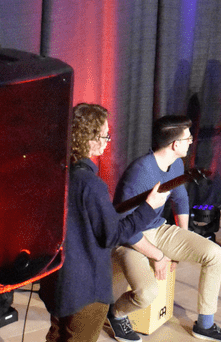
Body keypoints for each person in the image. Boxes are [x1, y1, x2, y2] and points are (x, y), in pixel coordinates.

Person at [38, 103, 169, 342]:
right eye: (105, 135)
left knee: (56, 337)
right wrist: (148, 209)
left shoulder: (54, 173)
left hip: (56, 282)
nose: (108, 141)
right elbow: (112, 235)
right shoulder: (91, 184)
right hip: (85, 290)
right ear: (89, 139)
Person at [108, 115, 221, 342]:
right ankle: (117, 314)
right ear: (175, 144)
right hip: (130, 239)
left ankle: (205, 325)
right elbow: (125, 229)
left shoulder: (176, 164)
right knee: (147, 293)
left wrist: (185, 238)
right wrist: (159, 256)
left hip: (158, 230)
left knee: (214, 253)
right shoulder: (140, 172)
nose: (191, 141)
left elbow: (180, 199)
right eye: (188, 138)